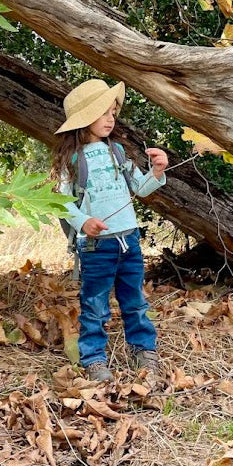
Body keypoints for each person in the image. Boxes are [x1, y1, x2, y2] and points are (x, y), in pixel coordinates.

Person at [51, 79, 169, 383]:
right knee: (94, 303)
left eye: (112, 112)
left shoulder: (117, 151)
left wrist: (156, 172)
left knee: (135, 299)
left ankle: (144, 349)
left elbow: (140, 188)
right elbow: (61, 202)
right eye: (102, 112)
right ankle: (93, 358)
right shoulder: (73, 160)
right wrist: (83, 222)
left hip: (128, 240)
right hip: (96, 246)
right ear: (83, 120)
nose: (109, 118)